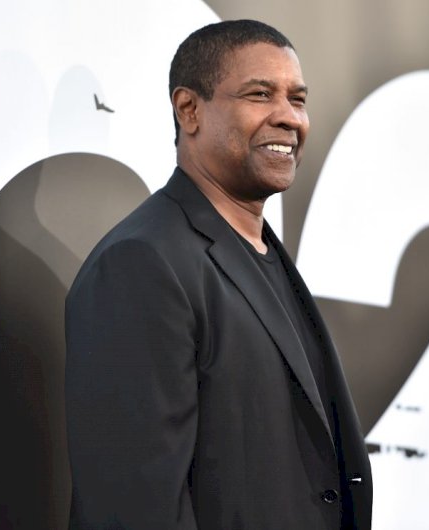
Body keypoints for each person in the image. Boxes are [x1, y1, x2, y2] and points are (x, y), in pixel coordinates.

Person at [65, 19, 372, 530]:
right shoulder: (141, 264)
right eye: (259, 94)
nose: (288, 118)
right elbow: (136, 507)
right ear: (189, 110)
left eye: (298, 99)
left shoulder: (262, 251)